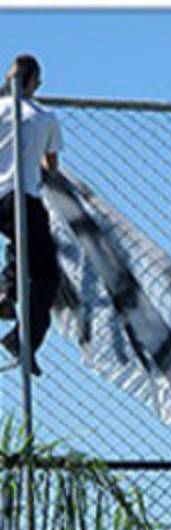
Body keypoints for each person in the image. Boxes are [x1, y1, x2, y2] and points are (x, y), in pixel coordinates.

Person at [0, 54, 62, 376]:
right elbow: (51, 166)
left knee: (20, 247)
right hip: (21, 196)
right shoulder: (44, 116)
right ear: (33, 81)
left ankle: (7, 290)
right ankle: (24, 340)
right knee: (47, 275)